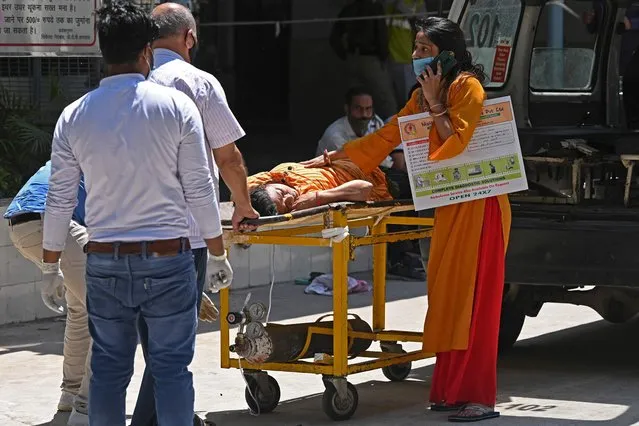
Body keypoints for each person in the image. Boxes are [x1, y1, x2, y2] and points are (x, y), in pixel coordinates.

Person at [302, 16, 511, 422]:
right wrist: (331, 158)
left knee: (476, 301)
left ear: (447, 55)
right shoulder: (419, 98)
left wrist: (435, 103)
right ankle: (452, 390)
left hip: (481, 207)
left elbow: (455, 141)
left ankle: (480, 397)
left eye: (423, 50)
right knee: (447, 297)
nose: (415, 57)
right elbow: (384, 139)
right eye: (415, 49)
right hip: (450, 204)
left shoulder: (467, 88)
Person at [41, 2, 233, 425]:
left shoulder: (73, 116)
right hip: (169, 260)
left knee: (109, 372)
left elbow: (59, 197)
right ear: (147, 50)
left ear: (101, 51)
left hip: (105, 261)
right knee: (171, 372)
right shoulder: (177, 109)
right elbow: (200, 188)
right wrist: (217, 253)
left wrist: (50, 264)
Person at [130, 4, 258, 425]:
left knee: (152, 345)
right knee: (172, 349)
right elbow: (228, 157)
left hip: (126, 234)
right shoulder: (196, 83)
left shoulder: (127, 84)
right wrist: (243, 204)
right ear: (189, 38)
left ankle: (167, 416)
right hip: (184, 235)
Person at [4, 162, 91, 426]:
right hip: (54, 222)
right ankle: (87, 406)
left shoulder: (75, 147)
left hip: (20, 226)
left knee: (81, 311)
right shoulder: (115, 156)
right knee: (110, 315)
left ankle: (70, 395)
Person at [248, 159, 396, 215]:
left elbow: (235, 191)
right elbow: (365, 188)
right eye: (287, 204)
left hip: (358, 159)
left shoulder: (271, 176)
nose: (289, 197)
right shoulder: (306, 201)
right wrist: (319, 197)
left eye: (281, 192)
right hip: (385, 181)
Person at [329, 0, 398, 119]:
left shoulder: (349, 9)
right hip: (370, 59)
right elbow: (381, 35)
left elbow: (334, 38)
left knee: (356, 101)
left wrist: (345, 55)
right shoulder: (375, 8)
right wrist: (383, 57)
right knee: (387, 102)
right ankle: (393, 133)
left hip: (352, 58)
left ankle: (356, 133)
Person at [316, 87, 393, 169]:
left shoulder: (376, 123)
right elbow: (355, 168)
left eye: (368, 109)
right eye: (358, 108)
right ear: (347, 109)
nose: (364, 114)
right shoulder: (335, 136)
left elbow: (386, 161)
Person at [384, 0, 427, 106]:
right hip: (395, 56)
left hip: (405, 57)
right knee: (401, 98)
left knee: (407, 97)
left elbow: (426, 26)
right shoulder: (389, 3)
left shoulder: (417, 3)